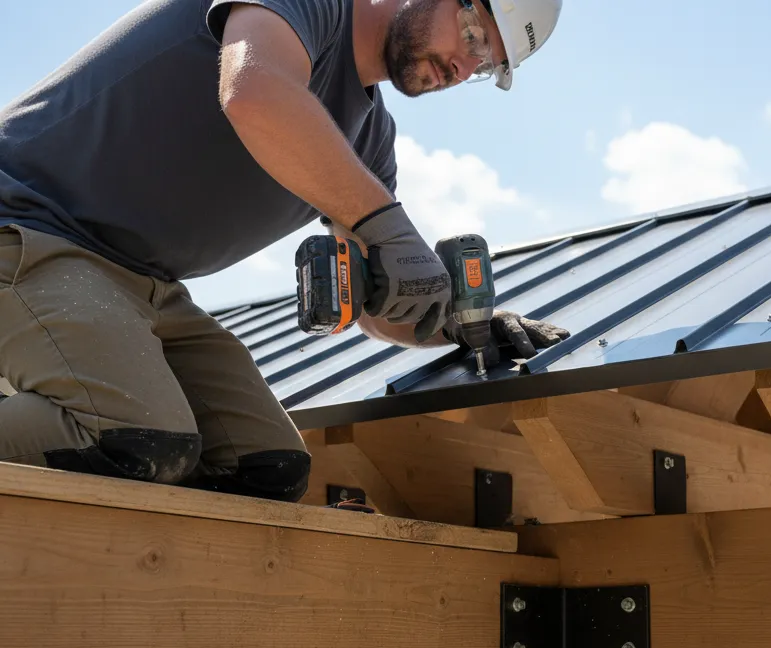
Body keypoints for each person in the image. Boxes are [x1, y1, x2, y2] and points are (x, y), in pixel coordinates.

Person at [0, 0, 568, 502]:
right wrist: (388, 227)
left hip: (143, 285)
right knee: (136, 437)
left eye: (485, 65)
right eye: (472, 36)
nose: (462, 68)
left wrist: (459, 326)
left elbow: (374, 305)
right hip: (28, 225)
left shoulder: (368, 141)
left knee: (266, 467)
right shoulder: (310, 6)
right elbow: (254, 92)